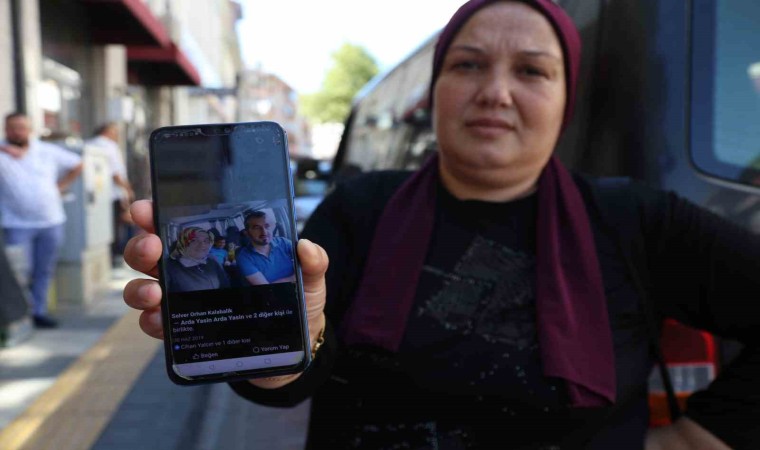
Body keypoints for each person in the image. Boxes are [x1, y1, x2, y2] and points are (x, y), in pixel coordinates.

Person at [122, 1, 760, 448]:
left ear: (568, 97)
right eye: (468, 65)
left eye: (532, 70)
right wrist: (281, 343)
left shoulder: (638, 219)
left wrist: (697, 438)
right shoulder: (361, 208)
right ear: (435, 92)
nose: (495, 92)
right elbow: (288, 385)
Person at [0, 112, 83, 328]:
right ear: (6, 129)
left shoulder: (46, 150)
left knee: (44, 270)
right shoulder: (2, 152)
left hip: (51, 221)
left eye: (21, 127)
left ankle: (39, 311)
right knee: (20, 271)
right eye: (12, 127)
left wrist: (61, 186)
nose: (17, 132)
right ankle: (21, 315)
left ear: (30, 129)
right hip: (16, 224)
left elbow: (78, 164)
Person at [85, 122, 134, 260]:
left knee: (100, 228)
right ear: (107, 131)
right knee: (115, 227)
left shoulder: (89, 144)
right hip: (112, 194)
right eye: (115, 132)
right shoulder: (110, 146)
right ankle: (116, 256)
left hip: (95, 195)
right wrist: (128, 189)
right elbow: (116, 173)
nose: (117, 135)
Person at [235, 210, 295, 285]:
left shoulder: (284, 242)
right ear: (247, 233)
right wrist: (295, 278)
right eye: (257, 228)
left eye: (267, 226)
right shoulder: (244, 257)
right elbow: (266, 287)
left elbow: (306, 261)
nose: (264, 232)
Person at [165, 227, 230, 293]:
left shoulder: (211, 260)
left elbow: (224, 282)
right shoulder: (170, 268)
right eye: (194, 241)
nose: (202, 245)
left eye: (205, 241)